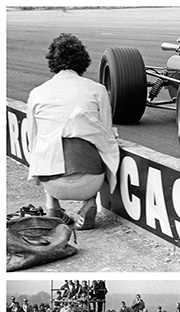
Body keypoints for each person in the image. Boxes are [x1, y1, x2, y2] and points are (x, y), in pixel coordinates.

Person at [27, 33, 120, 230]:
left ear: (52, 61)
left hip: (52, 183)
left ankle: (53, 206)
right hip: (90, 181)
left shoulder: (36, 94)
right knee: (98, 140)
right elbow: (105, 135)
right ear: (83, 61)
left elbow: (32, 141)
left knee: (46, 141)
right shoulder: (98, 90)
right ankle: (89, 203)